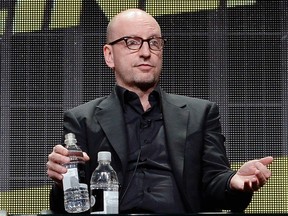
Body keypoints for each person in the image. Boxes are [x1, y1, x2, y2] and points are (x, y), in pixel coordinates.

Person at [46, 8, 273, 214]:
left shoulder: (200, 114)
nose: (146, 52)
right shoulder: (82, 119)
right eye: (132, 42)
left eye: (154, 42)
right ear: (109, 55)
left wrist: (234, 181)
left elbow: (216, 183)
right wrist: (62, 181)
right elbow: (70, 205)